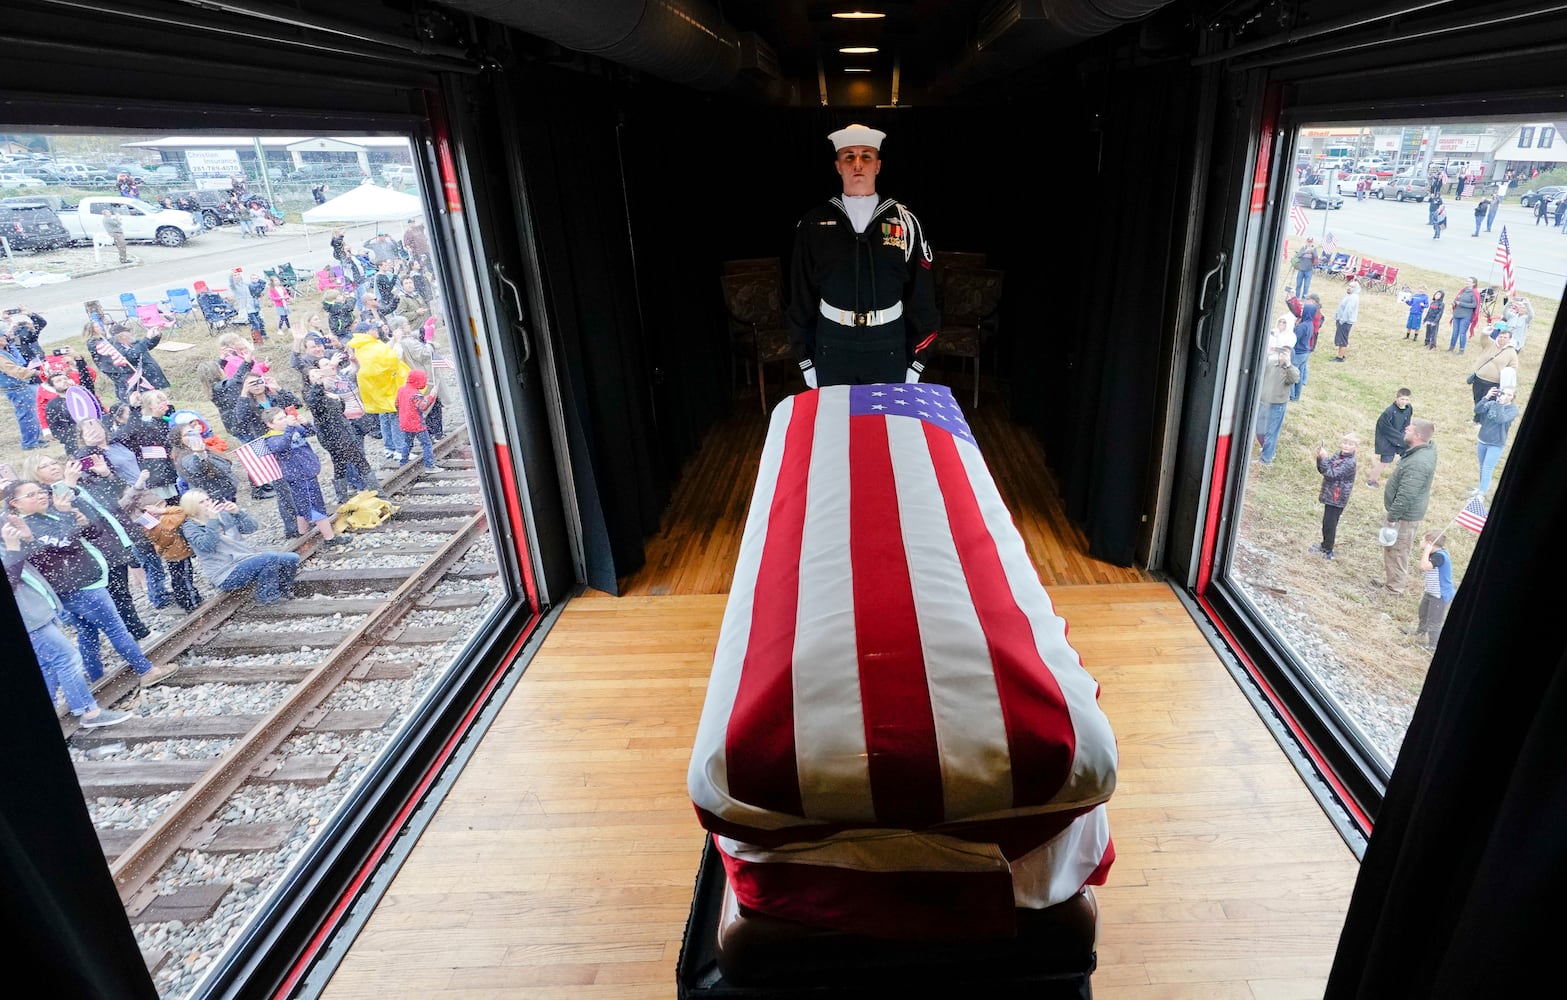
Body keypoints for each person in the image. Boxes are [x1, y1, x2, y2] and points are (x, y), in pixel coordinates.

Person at [785, 123, 939, 388]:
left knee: (885, 427)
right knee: (834, 428)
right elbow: (799, 295)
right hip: (832, 346)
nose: (858, 163)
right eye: (849, 156)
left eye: (866, 156)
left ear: (877, 165)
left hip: (887, 346)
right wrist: (805, 358)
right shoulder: (813, 224)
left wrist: (917, 360)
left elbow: (923, 296)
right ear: (838, 166)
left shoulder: (905, 222)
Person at [2, 480, 178, 685]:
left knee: (88, 632)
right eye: (31, 495)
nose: (41, 496)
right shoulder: (25, 526)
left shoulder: (45, 515)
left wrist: (82, 521)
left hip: (75, 584)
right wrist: (66, 515)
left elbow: (93, 533)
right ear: (15, 503)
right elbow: (64, 545)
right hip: (78, 586)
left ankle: (96, 677)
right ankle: (146, 670)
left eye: (41, 491)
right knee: (115, 628)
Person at [4, 523, 132, 728]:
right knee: (67, 658)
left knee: (47, 665)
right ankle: (89, 712)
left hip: (37, 612)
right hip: (30, 618)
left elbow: (31, 563)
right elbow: (10, 580)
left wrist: (27, 539)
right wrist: (12, 548)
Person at [179, 490, 302, 605]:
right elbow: (207, 546)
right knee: (270, 558)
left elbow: (251, 528)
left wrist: (238, 513)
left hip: (244, 560)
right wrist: (212, 520)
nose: (207, 503)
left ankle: (283, 591)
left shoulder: (222, 515)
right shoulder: (190, 527)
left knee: (292, 558)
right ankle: (267, 597)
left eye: (207, 499)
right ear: (192, 507)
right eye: (201, 502)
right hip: (225, 573)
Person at [255, 408, 349, 546]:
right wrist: (290, 428)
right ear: (270, 425)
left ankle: (302, 535)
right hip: (299, 475)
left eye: (284, 416)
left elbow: (310, 432)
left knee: (302, 506)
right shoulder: (271, 438)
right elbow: (282, 446)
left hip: (306, 472)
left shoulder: (291, 429)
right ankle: (330, 539)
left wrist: (305, 424)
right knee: (315, 506)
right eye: (280, 419)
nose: (285, 420)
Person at [1378, 418, 1437, 596]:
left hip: (1404, 516)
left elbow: (1406, 495)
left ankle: (1394, 589)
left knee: (1397, 550)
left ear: (1417, 435)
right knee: (1396, 549)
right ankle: (1392, 581)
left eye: (1409, 429)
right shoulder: (1423, 450)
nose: (1405, 429)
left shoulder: (1418, 463)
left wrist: (1392, 517)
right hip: (1405, 514)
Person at [347, 321, 410, 462]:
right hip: (385, 387)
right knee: (394, 415)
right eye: (374, 328)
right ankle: (400, 450)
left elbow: (384, 353)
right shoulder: (371, 346)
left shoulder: (362, 346)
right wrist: (398, 342)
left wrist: (393, 340)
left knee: (384, 416)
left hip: (375, 388)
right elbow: (393, 359)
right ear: (367, 332)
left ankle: (389, 447)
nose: (377, 330)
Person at [1402, 532, 1454, 651]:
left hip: (1440, 594)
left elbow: (1423, 567)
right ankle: (1420, 633)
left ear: (1429, 543)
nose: (1420, 542)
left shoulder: (1439, 556)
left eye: (1422, 540)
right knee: (1423, 613)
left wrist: (1426, 551)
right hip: (1430, 591)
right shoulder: (1435, 554)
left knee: (1434, 620)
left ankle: (1432, 645)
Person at [1311, 433, 1358, 561]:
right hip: (1330, 494)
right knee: (1326, 522)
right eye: (1345, 442)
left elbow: (1331, 474)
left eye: (1350, 444)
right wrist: (1320, 458)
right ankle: (1324, 545)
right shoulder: (1339, 455)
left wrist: (1325, 458)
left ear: (1355, 447)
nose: (1346, 446)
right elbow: (1324, 469)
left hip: (1337, 497)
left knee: (1330, 524)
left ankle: (1328, 549)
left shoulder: (1350, 462)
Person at [0, 323, 46, 450]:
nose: (5, 338)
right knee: (26, 415)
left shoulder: (5, 350)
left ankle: (35, 439)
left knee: (32, 413)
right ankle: (29, 443)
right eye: (2, 336)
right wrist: (35, 372)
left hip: (21, 386)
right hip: (16, 389)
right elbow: (14, 370)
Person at [1253, 343, 1298, 465]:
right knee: (1259, 430)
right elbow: (1258, 369)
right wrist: (1267, 354)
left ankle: (1266, 459)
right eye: (1282, 351)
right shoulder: (1271, 363)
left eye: (1286, 353)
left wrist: (1288, 364)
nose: (1283, 355)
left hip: (1277, 406)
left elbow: (1294, 379)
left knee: (1271, 432)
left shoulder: (1291, 369)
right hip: (1263, 402)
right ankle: (1269, 450)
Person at [1473, 386, 1519, 496]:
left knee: (1487, 468)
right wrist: (1487, 397)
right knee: (1482, 466)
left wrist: (1500, 404)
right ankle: (1481, 488)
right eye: (1504, 393)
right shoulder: (1492, 404)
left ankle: (1481, 494)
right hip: (1482, 440)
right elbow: (1477, 410)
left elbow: (1500, 419)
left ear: (1513, 397)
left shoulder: (1513, 410)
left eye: (1510, 395)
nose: (1506, 396)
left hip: (1496, 444)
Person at [1367, 388, 1413, 488]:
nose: (1404, 402)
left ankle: (1402, 481)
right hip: (1387, 440)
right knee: (1385, 462)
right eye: (1402, 399)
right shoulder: (1389, 412)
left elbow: (1407, 422)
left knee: (1407, 456)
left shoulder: (1409, 408)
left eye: (1406, 400)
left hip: (1400, 438)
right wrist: (1400, 438)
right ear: (1396, 398)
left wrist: (1405, 436)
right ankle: (1371, 481)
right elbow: (1385, 429)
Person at [395, 369, 439, 470]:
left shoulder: (401, 390)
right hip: (417, 424)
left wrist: (402, 414)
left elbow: (396, 404)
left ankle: (403, 462)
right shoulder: (416, 394)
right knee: (426, 444)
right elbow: (423, 407)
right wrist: (431, 396)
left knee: (407, 443)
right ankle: (429, 465)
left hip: (404, 422)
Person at [1285, 291, 1322, 402]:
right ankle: (1296, 396)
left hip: (1299, 351)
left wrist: (1295, 327)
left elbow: (1294, 338)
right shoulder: (1310, 323)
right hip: (1305, 351)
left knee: (1291, 373)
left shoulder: (1303, 326)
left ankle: (1290, 395)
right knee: (1300, 375)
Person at [1468, 326, 1517, 405]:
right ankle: (1477, 417)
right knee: (1477, 401)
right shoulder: (1490, 344)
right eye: (1500, 337)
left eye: (1505, 337)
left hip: (1494, 384)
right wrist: (1486, 331)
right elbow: (1484, 337)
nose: (1502, 339)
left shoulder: (1512, 352)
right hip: (1479, 379)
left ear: (1509, 339)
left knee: (1488, 404)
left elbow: (1513, 368)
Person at [1448, 277, 1480, 353]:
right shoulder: (1462, 291)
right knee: (1455, 332)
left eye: (1469, 281)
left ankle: (1461, 350)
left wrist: (1461, 304)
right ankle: (1451, 347)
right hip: (1457, 314)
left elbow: (1474, 305)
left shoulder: (1474, 293)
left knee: (1462, 333)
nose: (1467, 282)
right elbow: (1457, 299)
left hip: (1466, 316)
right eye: (1467, 281)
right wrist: (1454, 303)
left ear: (1473, 284)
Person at [1331, 280, 1359, 363]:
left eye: (1352, 287)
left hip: (1345, 322)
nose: (1349, 288)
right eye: (1349, 286)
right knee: (1341, 338)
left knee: (1342, 340)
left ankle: (1340, 357)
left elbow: (1348, 311)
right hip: (1343, 320)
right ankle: (1340, 355)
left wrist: (1342, 320)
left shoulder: (1353, 298)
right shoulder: (1349, 296)